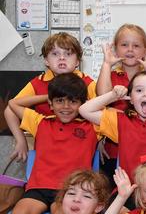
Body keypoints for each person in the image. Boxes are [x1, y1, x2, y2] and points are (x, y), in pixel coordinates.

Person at [8, 74, 100, 214]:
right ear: (51, 103)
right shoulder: (41, 122)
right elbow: (13, 103)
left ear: (82, 104)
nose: (66, 107)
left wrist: (59, 97)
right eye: (59, 101)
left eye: (73, 101)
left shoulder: (92, 127)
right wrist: (49, 95)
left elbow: (109, 113)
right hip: (39, 189)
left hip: (70, 191)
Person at [4, 32, 96, 163]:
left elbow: (103, 114)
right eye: (55, 54)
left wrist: (103, 140)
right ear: (46, 60)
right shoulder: (37, 83)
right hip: (47, 147)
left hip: (79, 147)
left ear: (77, 61)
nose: (62, 58)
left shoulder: (87, 82)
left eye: (68, 54)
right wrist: (21, 141)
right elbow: (10, 109)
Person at [96, 24, 146, 185]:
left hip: (145, 148)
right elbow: (103, 97)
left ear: (145, 51)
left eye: (136, 45)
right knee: (112, 194)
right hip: (113, 149)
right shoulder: (109, 75)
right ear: (115, 49)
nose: (130, 49)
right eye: (124, 45)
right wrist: (107, 64)